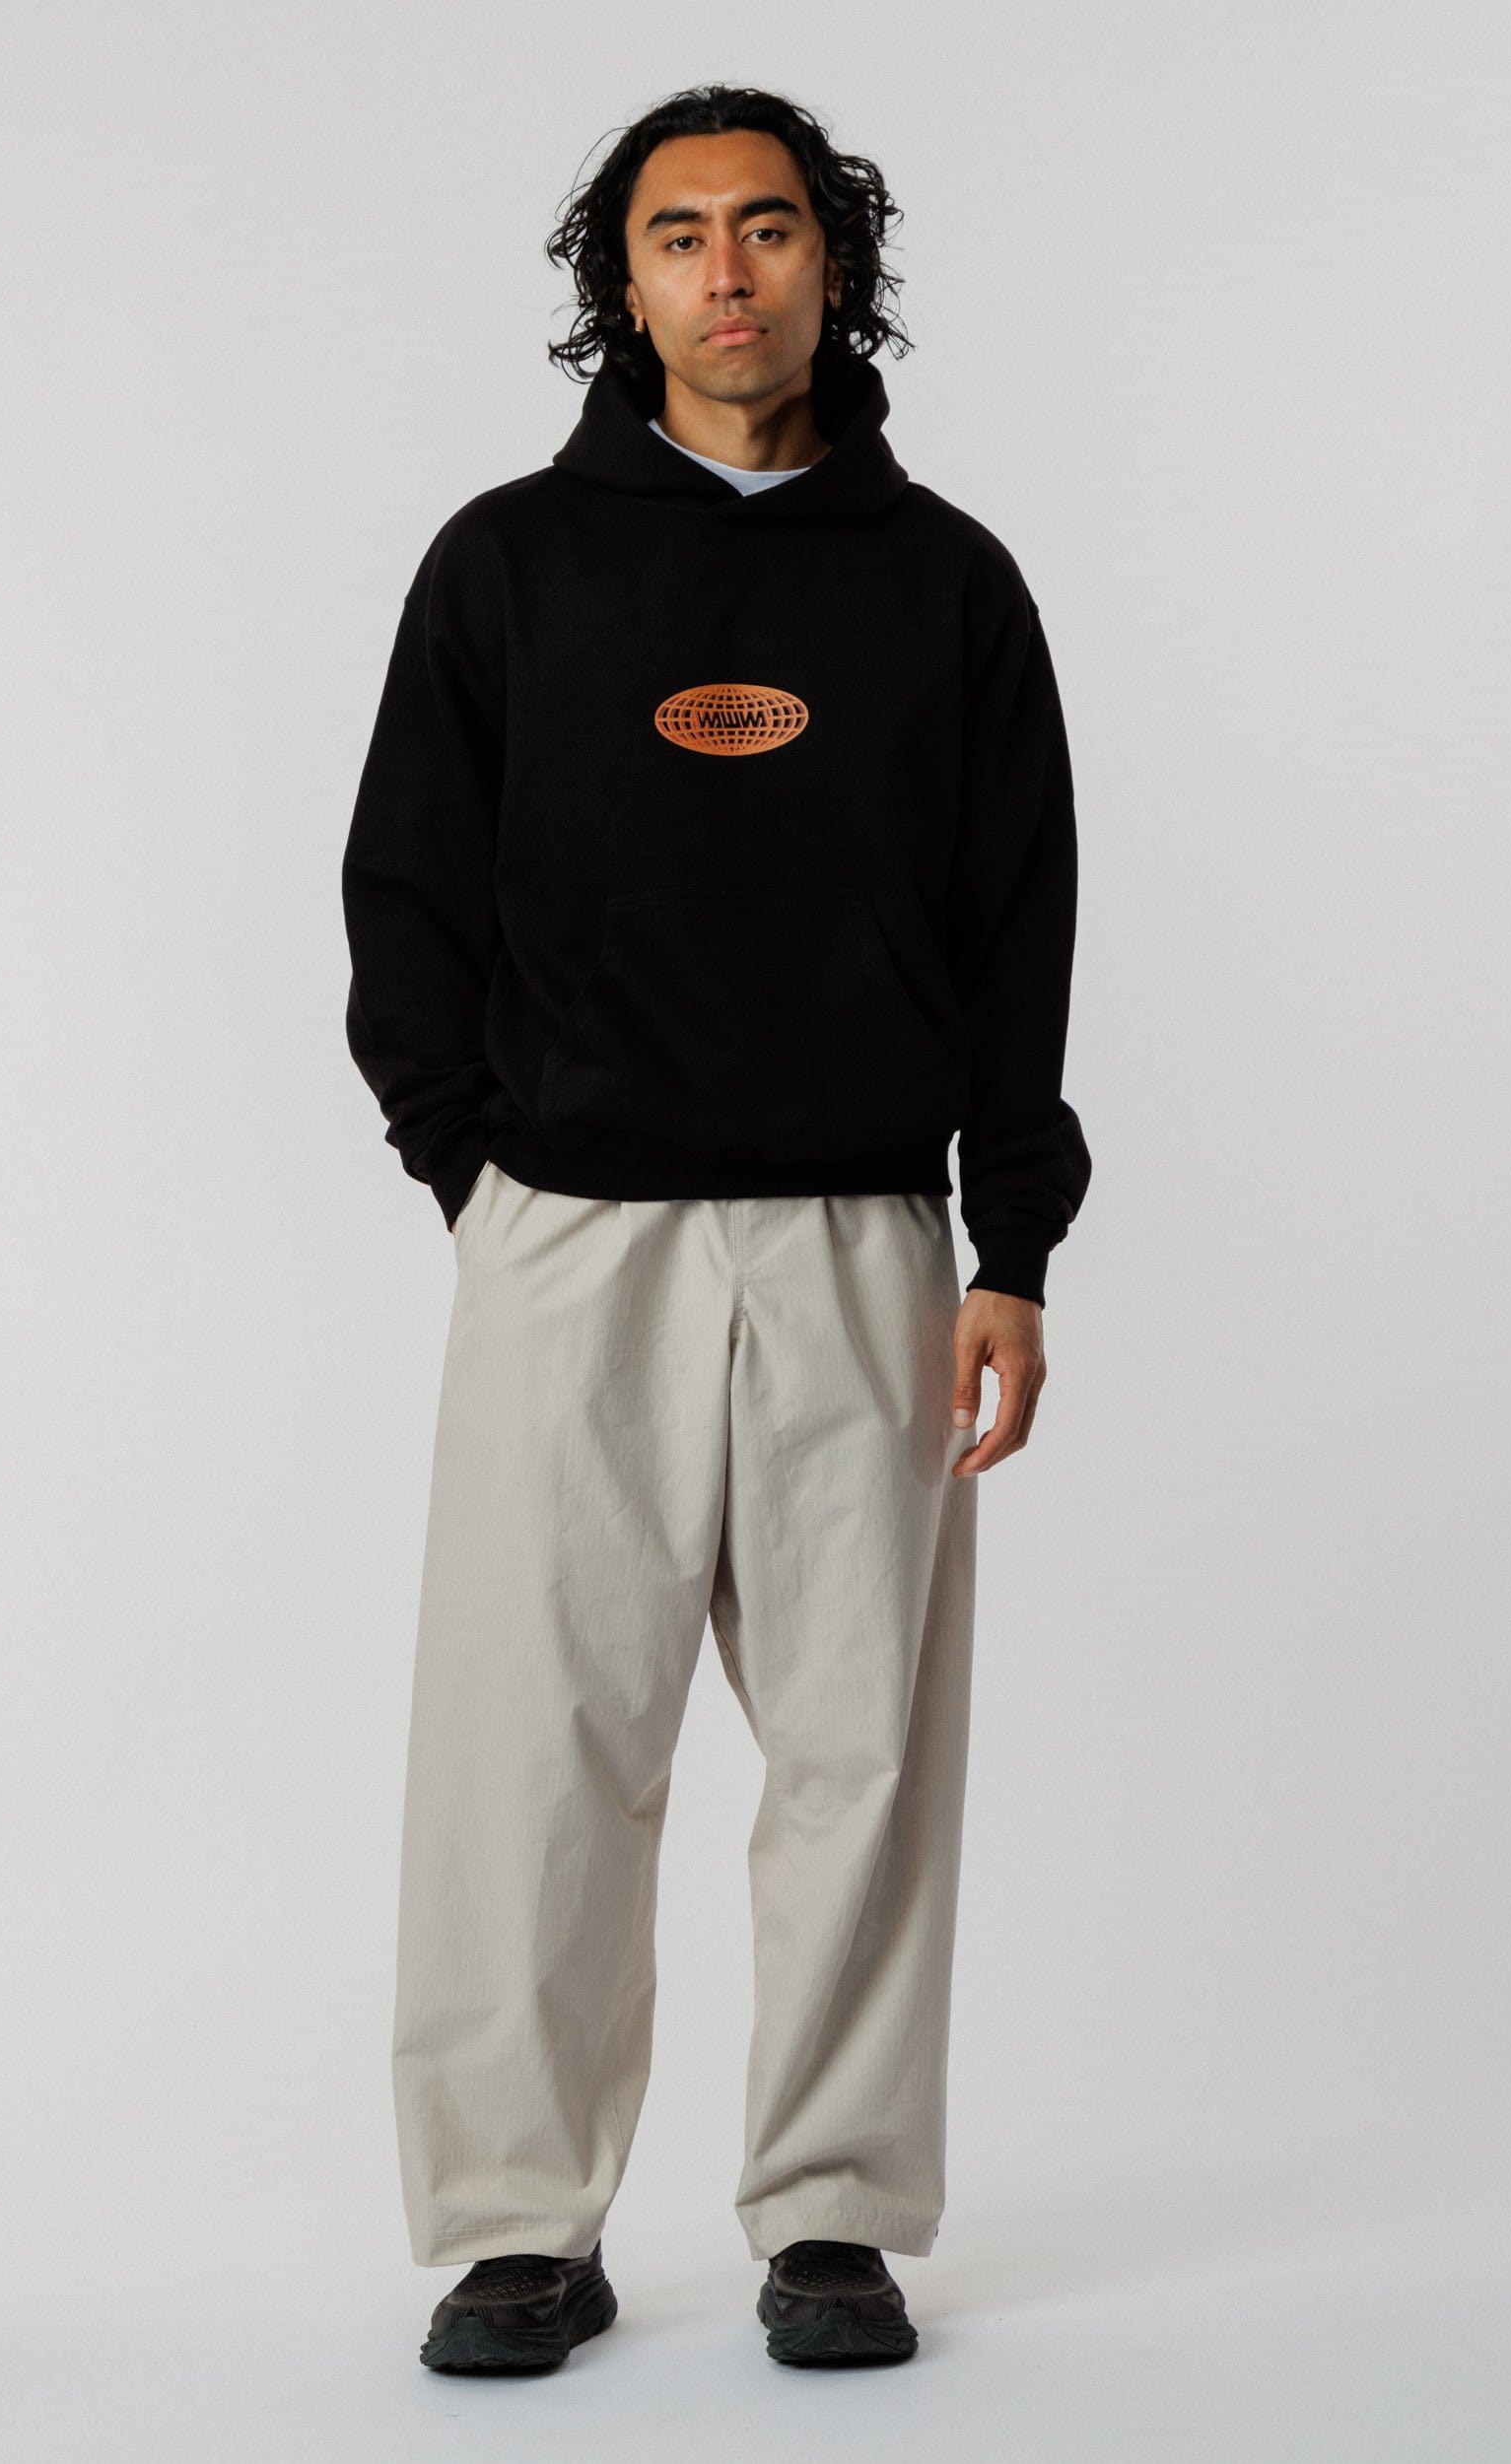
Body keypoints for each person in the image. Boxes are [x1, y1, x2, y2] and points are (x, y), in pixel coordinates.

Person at [341, 81, 1090, 2375]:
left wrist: (1007, 1242)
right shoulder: (506, 568)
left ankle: (834, 2212)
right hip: (573, 1235)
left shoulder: (944, 584)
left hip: (863, 1233)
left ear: (831, 262)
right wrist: (476, 1171)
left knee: (865, 1751)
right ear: (626, 281)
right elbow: (403, 897)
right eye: (680, 235)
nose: (728, 271)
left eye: (769, 227)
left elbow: (1017, 931)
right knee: (531, 1743)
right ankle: (516, 2221)